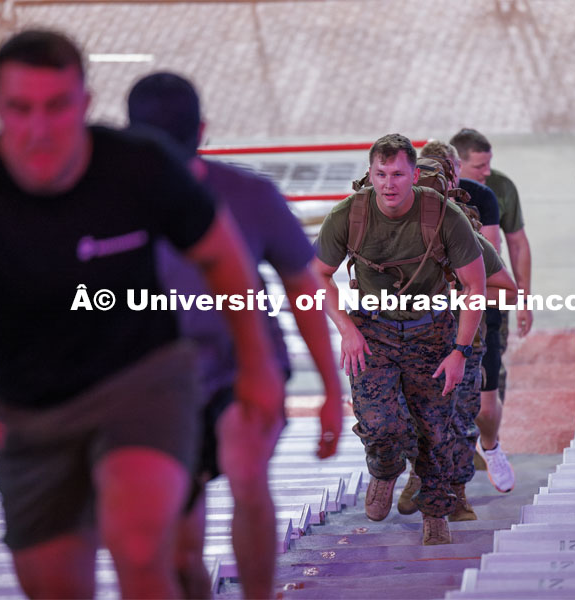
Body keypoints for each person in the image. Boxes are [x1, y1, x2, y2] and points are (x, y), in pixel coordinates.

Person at [0, 30, 284, 599]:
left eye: (57, 106)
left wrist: (259, 367)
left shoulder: (139, 166)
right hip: (30, 409)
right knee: (54, 586)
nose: (40, 128)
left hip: (145, 380)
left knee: (142, 545)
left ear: (85, 102)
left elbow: (225, 261)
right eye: (21, 109)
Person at [126, 71, 343, 599]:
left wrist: (334, 392)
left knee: (245, 469)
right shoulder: (112, 206)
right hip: (162, 382)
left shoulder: (249, 196)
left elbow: (303, 293)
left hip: (244, 369)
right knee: (181, 555)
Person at [313, 133, 485, 546]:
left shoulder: (443, 216)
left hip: (432, 333)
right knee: (378, 425)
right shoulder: (348, 215)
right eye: (380, 174)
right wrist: (346, 330)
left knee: (435, 432)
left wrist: (461, 351)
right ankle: (385, 470)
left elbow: (474, 285)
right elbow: (314, 275)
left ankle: (435, 513)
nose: (388, 184)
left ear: (414, 175)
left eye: (397, 174)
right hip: (373, 333)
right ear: (369, 174)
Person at [396, 141, 515, 521]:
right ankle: (423, 479)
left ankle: (476, 464)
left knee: (469, 412)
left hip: (467, 331)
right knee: (421, 413)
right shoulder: (393, 222)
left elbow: (496, 282)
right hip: (417, 336)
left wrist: (456, 294)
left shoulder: (467, 218)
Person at [450, 128, 534, 493]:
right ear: (458, 163)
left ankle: (490, 443)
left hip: (489, 299)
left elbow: (517, 244)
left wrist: (524, 297)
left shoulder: (499, 188)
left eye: (489, 164)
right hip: (447, 305)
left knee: (487, 393)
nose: (487, 171)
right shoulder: (429, 191)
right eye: (479, 165)